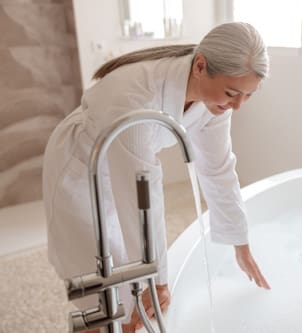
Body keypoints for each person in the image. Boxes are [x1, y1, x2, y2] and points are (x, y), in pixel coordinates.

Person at [42, 22, 270, 332]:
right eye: (232, 93)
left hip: (128, 172)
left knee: (136, 298)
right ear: (201, 65)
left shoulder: (216, 100)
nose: (238, 105)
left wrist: (239, 242)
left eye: (248, 95)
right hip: (83, 173)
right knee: (103, 293)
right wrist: (158, 279)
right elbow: (143, 190)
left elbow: (217, 167)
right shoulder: (135, 95)